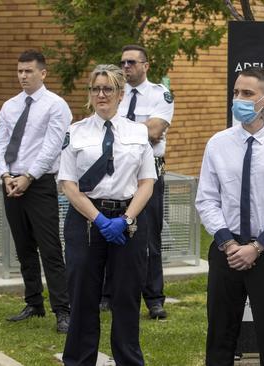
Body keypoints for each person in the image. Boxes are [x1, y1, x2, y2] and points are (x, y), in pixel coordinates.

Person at [196, 66, 264, 366]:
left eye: (247, 94)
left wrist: (256, 247)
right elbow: (206, 199)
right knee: (220, 337)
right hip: (225, 253)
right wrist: (229, 245)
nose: (239, 99)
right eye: (235, 93)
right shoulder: (217, 144)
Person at [59, 64, 156, 366]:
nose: (101, 94)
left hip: (127, 219)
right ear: (90, 93)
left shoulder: (138, 132)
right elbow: (68, 185)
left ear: (120, 93)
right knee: (83, 295)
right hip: (86, 220)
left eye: (108, 89)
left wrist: (125, 219)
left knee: (127, 297)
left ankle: (128, 359)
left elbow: (147, 183)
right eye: (95, 89)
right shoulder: (74, 132)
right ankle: (78, 360)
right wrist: (99, 220)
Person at [0, 49, 71, 333]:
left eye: (28, 71)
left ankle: (63, 310)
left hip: (39, 184)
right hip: (11, 183)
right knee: (24, 247)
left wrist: (28, 176)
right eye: (19, 71)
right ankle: (33, 303)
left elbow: (52, 146)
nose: (23, 76)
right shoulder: (10, 106)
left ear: (43, 73)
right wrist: (5, 174)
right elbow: (0, 143)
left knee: (50, 249)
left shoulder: (56, 106)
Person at [99, 44, 174, 319]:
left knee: (149, 239)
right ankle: (107, 294)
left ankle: (154, 299)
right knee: (108, 230)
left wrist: (120, 130)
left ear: (146, 65)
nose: (126, 67)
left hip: (148, 173)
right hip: (115, 171)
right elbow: (101, 124)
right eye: (122, 62)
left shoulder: (159, 94)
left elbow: (154, 131)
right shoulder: (112, 93)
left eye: (131, 62)